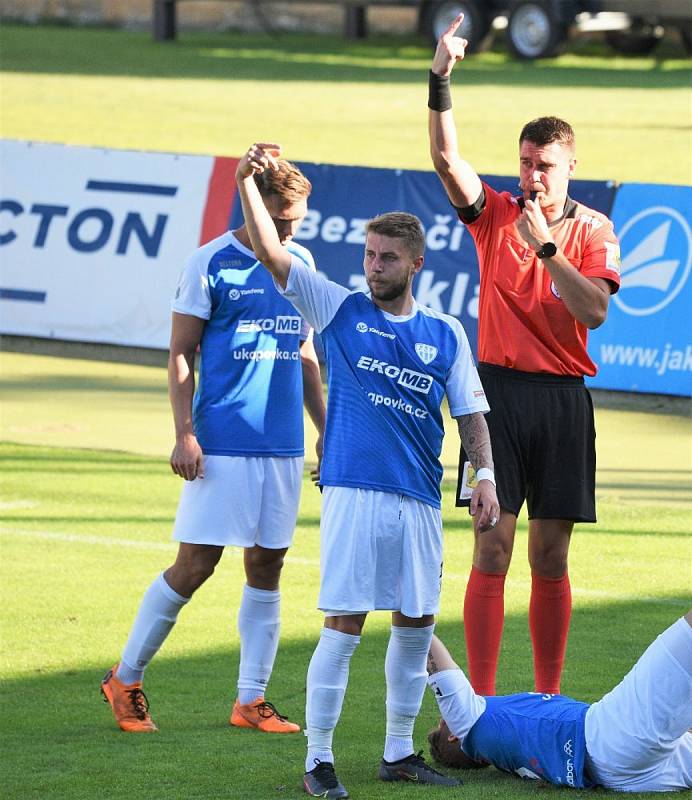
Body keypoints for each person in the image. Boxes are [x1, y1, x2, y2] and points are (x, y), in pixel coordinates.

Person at [236, 141, 500, 799]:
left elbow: (470, 415)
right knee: (346, 623)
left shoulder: (445, 334)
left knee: (414, 624)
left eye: (386, 258)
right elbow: (273, 255)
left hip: (419, 499)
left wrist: (486, 479)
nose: (374, 267)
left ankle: (398, 753)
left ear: (415, 263)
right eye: (368, 256)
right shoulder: (338, 309)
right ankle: (318, 762)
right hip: (355, 493)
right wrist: (247, 183)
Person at [428, 14, 622, 697]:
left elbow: (594, 310)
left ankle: (546, 696)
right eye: (525, 163)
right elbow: (448, 164)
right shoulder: (495, 215)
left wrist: (547, 248)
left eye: (545, 165)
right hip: (494, 400)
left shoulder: (594, 231)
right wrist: (440, 79)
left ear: (570, 167)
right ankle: (478, 703)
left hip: (564, 401)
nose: (532, 176)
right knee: (492, 545)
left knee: (549, 554)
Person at [100, 159, 326, 735]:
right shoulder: (209, 263)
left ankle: (251, 701)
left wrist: (327, 428)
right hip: (220, 443)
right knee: (197, 564)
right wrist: (184, 433)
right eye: (281, 220)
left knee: (268, 565)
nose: (291, 233)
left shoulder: (298, 262)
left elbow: (303, 353)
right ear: (256, 207)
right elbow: (181, 353)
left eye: (297, 221)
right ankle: (125, 678)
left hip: (281, 446)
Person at [426, 611, 692, 792]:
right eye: (444, 719)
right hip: (609, 740)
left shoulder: (498, 753)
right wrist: (403, 600)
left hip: (620, 776)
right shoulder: (468, 725)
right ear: (453, 737)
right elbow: (426, 641)